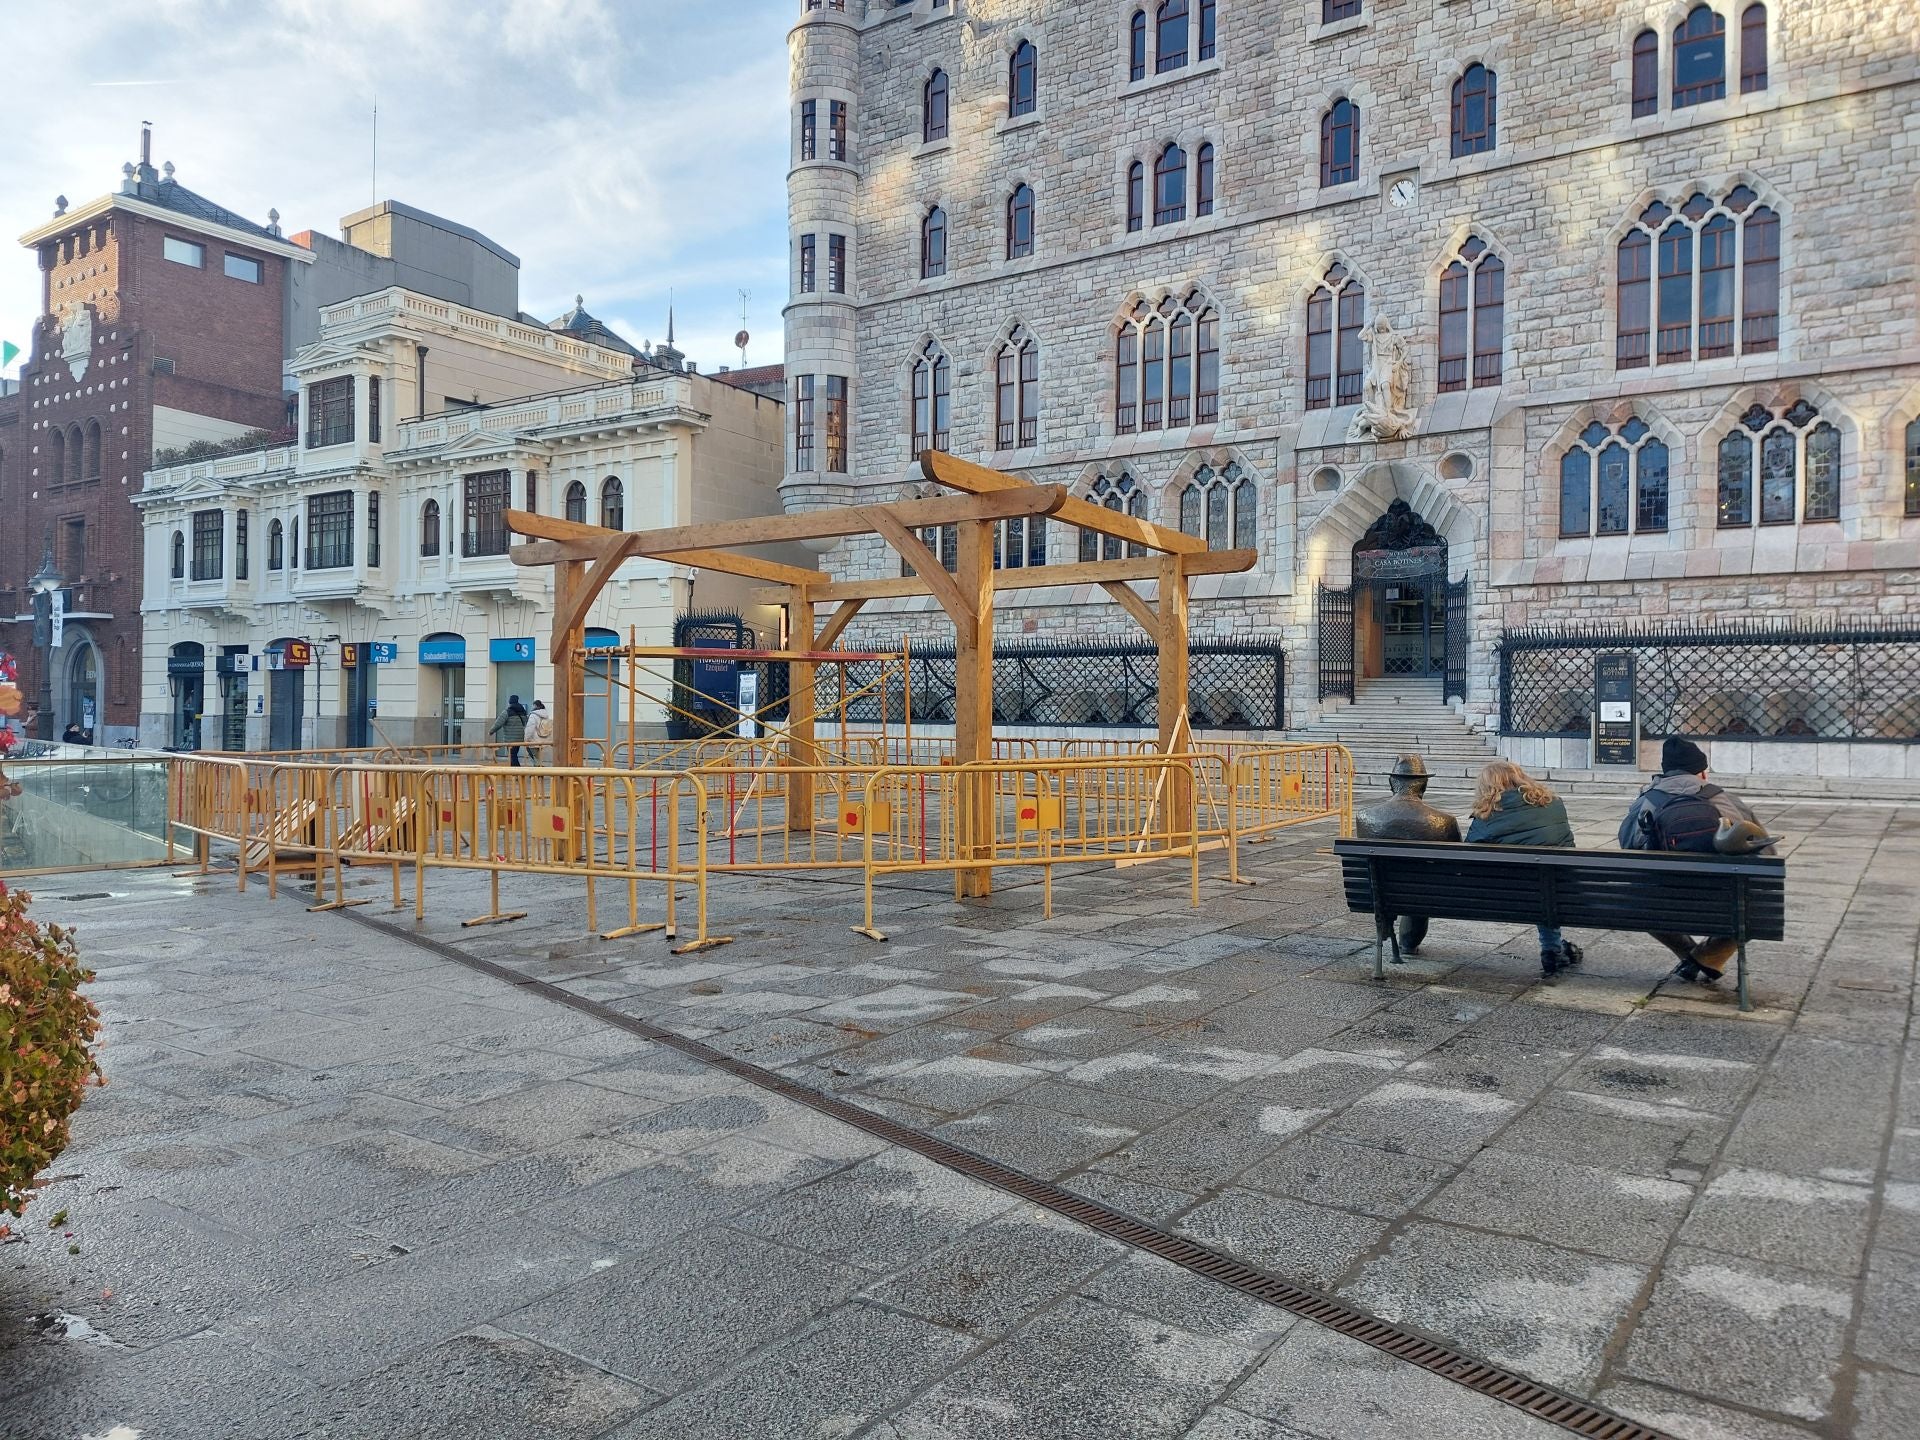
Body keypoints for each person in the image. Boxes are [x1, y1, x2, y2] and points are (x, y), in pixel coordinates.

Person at [1618, 737, 1771, 984]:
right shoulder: (1726, 800)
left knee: (1638, 896)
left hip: (1661, 902)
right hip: (1724, 901)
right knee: (1760, 902)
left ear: (1665, 771)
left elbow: (1627, 847)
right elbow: (1766, 854)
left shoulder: (1645, 802)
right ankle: (1707, 955)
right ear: (1702, 772)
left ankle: (1688, 954)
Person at [1465, 759, 1585, 978]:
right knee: (1544, 883)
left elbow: (1469, 858)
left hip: (1503, 896)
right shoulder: (1554, 804)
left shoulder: (1486, 817)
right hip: (1559, 891)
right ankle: (1552, 949)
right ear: (1520, 778)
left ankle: (1553, 948)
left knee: (1533, 882)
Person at [1353, 754, 1461, 957]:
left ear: (1391, 783)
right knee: (1423, 884)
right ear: (1424, 785)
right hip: (1426, 893)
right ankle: (1409, 942)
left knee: (1397, 880)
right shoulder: (1445, 822)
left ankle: (1390, 930)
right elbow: (1456, 868)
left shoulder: (1365, 817)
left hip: (1378, 893)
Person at [488, 694, 529, 767]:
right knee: (514, 754)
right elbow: (526, 722)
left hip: (510, 739)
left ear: (510, 702)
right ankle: (516, 771)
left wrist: (491, 731)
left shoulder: (507, 712)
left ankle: (517, 771)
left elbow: (498, 723)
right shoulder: (523, 711)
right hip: (520, 737)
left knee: (512, 756)